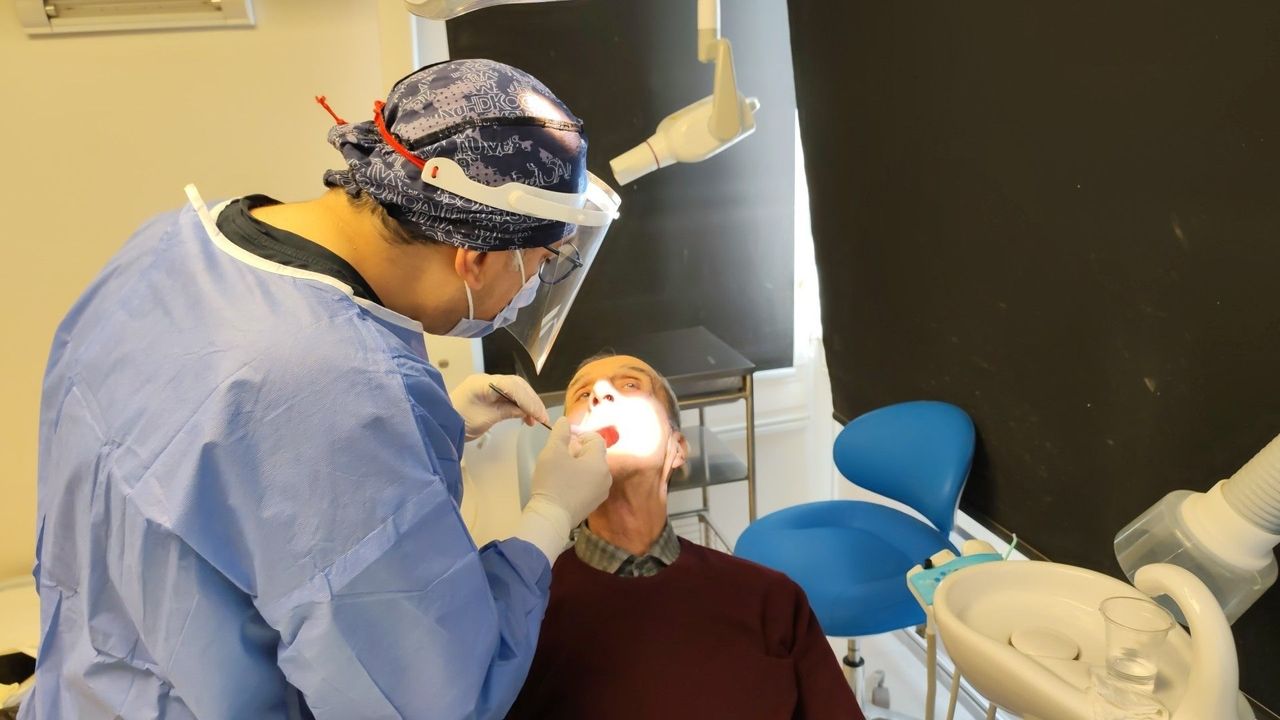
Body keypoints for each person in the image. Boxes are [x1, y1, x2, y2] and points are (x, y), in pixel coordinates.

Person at [23, 59, 620, 720]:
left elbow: (220, 473)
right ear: (475, 257)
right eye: (541, 264)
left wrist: (423, 436)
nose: (532, 289)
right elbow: (434, 697)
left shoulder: (170, 245)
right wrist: (549, 516)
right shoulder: (343, 397)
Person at [505, 354, 864, 720]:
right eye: (582, 395)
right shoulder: (520, 613)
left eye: (630, 385)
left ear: (677, 447)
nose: (599, 392)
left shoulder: (773, 601)